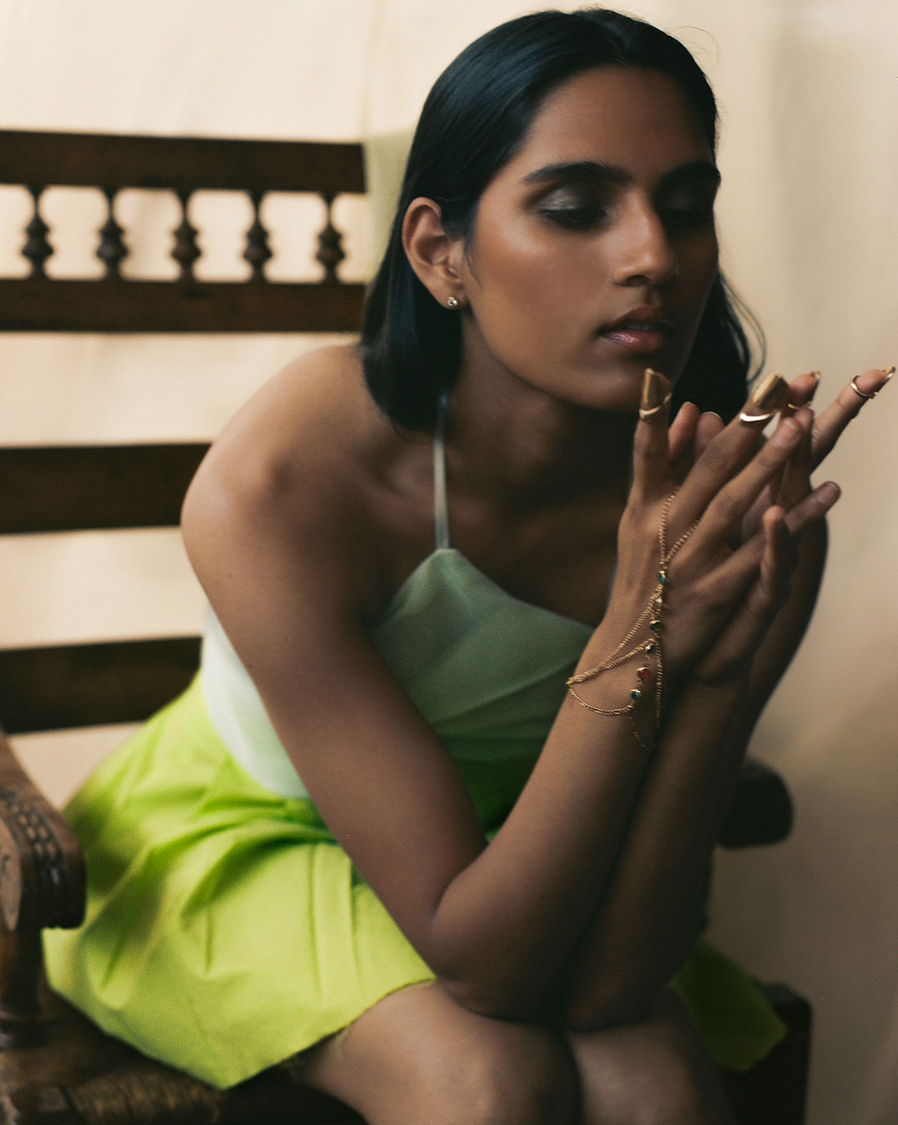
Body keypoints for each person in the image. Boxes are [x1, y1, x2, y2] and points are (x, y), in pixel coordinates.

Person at [44, 8, 891, 1124]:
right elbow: (484, 971)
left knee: (653, 1087)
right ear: (441, 250)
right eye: (575, 208)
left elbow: (609, 986)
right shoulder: (287, 478)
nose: (651, 257)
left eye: (683, 208)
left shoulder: (738, 513)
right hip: (240, 837)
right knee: (486, 1086)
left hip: (544, 856)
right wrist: (637, 626)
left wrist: (716, 669)